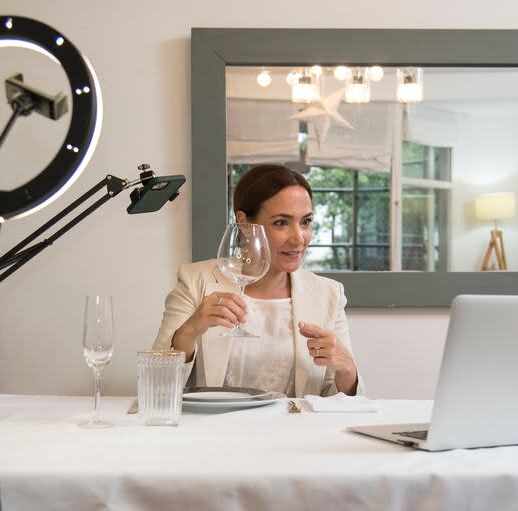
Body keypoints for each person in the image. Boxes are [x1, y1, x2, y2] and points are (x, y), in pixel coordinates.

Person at [152, 164, 363, 397]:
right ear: (244, 223)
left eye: (306, 221)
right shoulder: (195, 281)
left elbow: (341, 405)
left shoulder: (329, 294)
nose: (299, 238)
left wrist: (347, 369)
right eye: (281, 222)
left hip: (295, 431)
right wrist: (190, 330)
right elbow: (155, 388)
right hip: (216, 430)